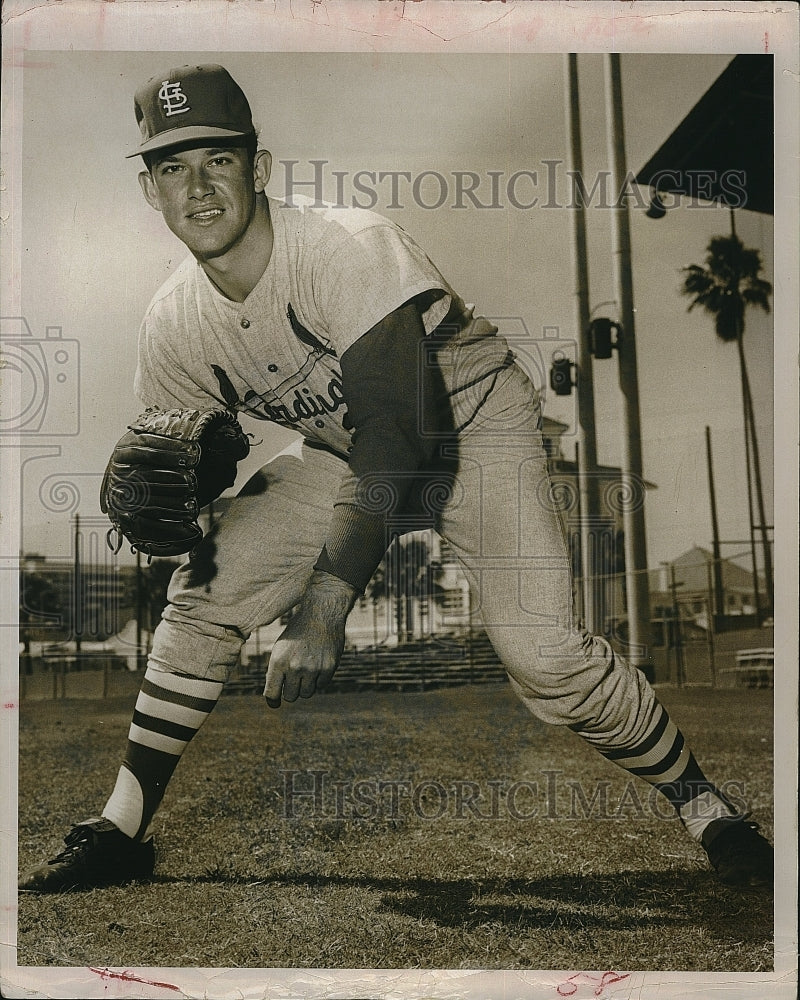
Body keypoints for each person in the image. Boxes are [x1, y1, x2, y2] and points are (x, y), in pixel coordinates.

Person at [20, 64, 772, 893]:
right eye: (172, 168)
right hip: (343, 458)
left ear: (258, 168)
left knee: (549, 658)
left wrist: (324, 608)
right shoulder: (173, 325)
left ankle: (709, 809)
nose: (196, 188)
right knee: (201, 598)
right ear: (149, 190)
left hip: (472, 431)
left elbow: (396, 435)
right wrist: (188, 519)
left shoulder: (343, 246)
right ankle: (119, 830)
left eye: (217, 161)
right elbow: (188, 464)